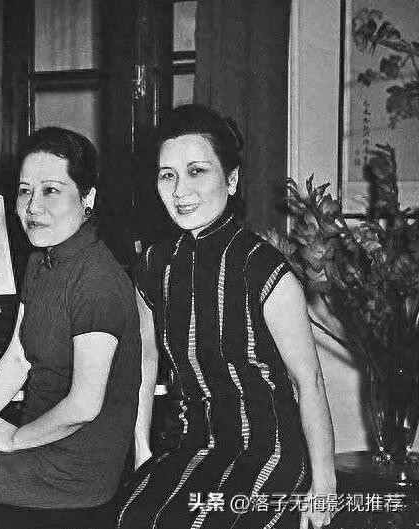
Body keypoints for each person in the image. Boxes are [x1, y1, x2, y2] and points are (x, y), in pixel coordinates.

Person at [117, 104, 337, 529]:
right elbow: (145, 362)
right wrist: (142, 450)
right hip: (192, 445)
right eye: (167, 175)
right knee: (133, 516)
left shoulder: (265, 269)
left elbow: (307, 380)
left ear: (231, 180)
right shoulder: (153, 265)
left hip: (270, 450)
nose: (180, 190)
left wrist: (324, 485)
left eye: (197, 171)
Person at [0, 127, 141, 514]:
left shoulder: (98, 280)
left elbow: (84, 406)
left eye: (51, 191)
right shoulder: (40, 261)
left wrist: (13, 440)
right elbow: (18, 357)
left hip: (73, 471)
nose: (33, 207)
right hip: (37, 442)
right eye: (25, 191)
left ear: (88, 197)